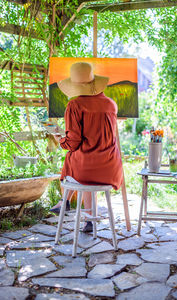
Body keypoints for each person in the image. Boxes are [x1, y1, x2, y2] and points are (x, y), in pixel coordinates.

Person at [51, 62, 123, 232]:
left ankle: (64, 201)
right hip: (111, 168)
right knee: (85, 162)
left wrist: (61, 139)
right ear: (94, 83)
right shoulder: (111, 104)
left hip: (86, 169)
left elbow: (74, 143)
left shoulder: (75, 105)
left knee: (72, 157)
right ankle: (89, 220)